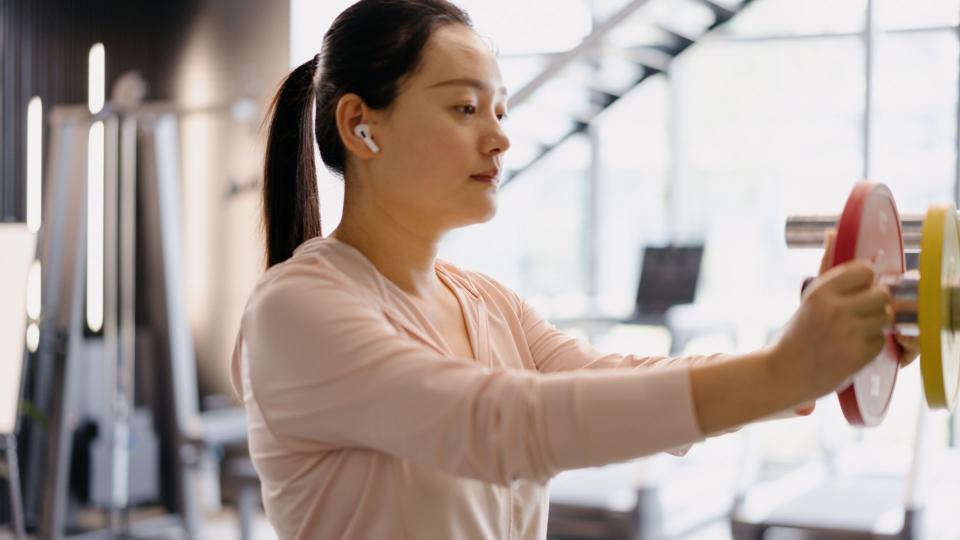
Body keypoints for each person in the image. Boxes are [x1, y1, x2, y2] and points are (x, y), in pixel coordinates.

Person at [229, 1, 917, 538]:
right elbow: (503, 425)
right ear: (361, 126)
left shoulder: (487, 302)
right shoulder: (295, 311)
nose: (500, 135)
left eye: (500, 109)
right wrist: (783, 372)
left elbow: (612, 382)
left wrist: (807, 369)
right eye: (465, 107)